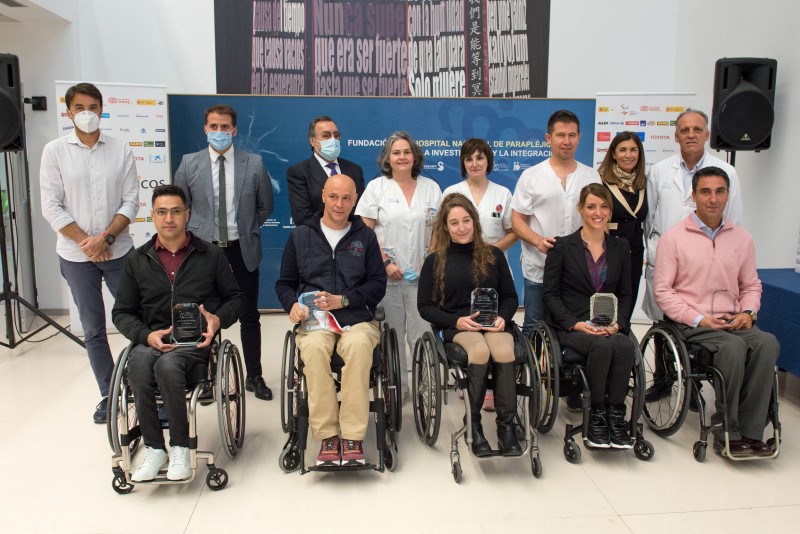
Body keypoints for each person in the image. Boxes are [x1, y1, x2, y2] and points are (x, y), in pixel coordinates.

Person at [111, 185, 244, 481]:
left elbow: (236, 299)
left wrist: (216, 321)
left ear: (187, 215)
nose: (168, 218)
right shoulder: (138, 259)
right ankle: (155, 448)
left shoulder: (209, 255)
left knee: (168, 365)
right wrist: (146, 336)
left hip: (193, 343)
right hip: (152, 338)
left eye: (174, 211)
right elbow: (121, 312)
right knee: (140, 364)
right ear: (153, 217)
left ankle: (181, 446)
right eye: (161, 212)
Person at [654, 167, 779, 457]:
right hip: (693, 321)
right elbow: (663, 291)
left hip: (734, 319)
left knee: (768, 343)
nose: (713, 198)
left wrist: (748, 312)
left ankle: (752, 431)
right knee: (733, 347)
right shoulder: (673, 238)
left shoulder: (742, 238)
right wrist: (699, 318)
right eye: (706, 192)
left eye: (720, 191)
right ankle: (728, 429)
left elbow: (751, 284)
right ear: (693, 196)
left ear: (728, 195)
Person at [39, 82, 138, 424]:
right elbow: (50, 206)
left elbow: (131, 200)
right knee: (93, 328)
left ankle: (143, 387)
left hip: (119, 251)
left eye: (93, 107)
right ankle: (110, 395)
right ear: (68, 112)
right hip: (75, 255)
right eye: (79, 107)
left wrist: (106, 238)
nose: (87, 113)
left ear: (101, 109)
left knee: (136, 322)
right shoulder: (54, 151)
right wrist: (86, 241)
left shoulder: (120, 148)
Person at [276, 174, 387, 467]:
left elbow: (378, 284)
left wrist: (345, 299)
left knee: (361, 347)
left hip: (356, 318)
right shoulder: (301, 235)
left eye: (347, 198)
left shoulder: (365, 236)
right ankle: (327, 435)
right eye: (334, 197)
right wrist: (291, 306)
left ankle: (352, 435)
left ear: (355, 201)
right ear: (323, 196)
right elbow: (285, 283)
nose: (340, 204)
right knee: (312, 350)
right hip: (315, 321)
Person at [173, 104, 274, 401]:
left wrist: (244, 229)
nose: (220, 132)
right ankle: (204, 377)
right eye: (214, 127)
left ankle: (254, 375)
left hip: (241, 249)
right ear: (205, 129)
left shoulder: (253, 163)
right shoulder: (189, 163)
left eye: (225, 127)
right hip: (203, 253)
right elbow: (181, 207)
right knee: (203, 315)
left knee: (249, 315)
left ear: (234, 130)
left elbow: (265, 205)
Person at [643, 109, 743, 401]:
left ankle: (694, 382)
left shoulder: (727, 172)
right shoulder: (660, 170)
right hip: (667, 254)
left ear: (707, 134)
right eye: (685, 130)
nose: (690, 135)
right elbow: (650, 218)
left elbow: (733, 218)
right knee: (664, 318)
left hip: (705, 259)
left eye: (697, 129)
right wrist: (656, 249)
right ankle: (663, 380)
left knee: (700, 315)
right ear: (676, 136)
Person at [417, 193, 522, 457]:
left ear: (474, 222)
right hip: (459, 325)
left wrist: (504, 318)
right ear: (445, 227)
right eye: (454, 223)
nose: (462, 227)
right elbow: (425, 307)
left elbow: (510, 297)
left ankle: (506, 426)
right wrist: (456, 321)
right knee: (479, 352)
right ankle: (474, 424)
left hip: (493, 322)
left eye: (466, 220)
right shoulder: (435, 261)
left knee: (505, 351)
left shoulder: (494, 255)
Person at [542, 184, 636, 449]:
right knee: (602, 346)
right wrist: (576, 324)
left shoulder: (620, 247)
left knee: (623, 344)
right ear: (580, 209)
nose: (598, 212)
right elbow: (550, 295)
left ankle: (616, 415)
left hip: (609, 324)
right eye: (592, 206)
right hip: (572, 325)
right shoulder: (562, 247)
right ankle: (596, 413)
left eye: (604, 206)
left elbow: (626, 293)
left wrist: (620, 323)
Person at [356, 130, 442, 401]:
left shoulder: (431, 188)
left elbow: (439, 229)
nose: (402, 157)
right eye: (396, 152)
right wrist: (384, 263)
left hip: (422, 277)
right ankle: (396, 390)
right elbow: (365, 231)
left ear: (415, 156)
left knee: (421, 335)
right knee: (391, 336)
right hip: (387, 279)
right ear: (387, 158)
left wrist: (431, 258)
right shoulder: (376, 188)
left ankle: (424, 390)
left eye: (407, 152)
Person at [443, 137, 518, 412]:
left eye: (480, 158)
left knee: (492, 325)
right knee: (472, 325)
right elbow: (443, 231)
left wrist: (490, 253)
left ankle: (496, 392)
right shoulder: (451, 191)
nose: (474, 163)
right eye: (469, 159)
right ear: (463, 163)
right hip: (460, 270)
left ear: (488, 161)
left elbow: (514, 230)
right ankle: (473, 383)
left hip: (492, 272)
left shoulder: (503, 194)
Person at [511, 110, 601, 337]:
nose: (566, 141)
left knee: (575, 327)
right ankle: (536, 373)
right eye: (560, 135)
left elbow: (599, 220)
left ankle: (561, 372)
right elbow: (516, 219)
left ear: (580, 137)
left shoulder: (592, 177)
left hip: (579, 272)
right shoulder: (531, 176)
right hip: (539, 267)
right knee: (534, 326)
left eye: (572, 135)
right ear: (548, 138)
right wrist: (537, 241)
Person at [597, 131, 647, 326]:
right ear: (614, 154)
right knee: (606, 307)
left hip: (634, 254)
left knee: (627, 306)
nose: (629, 155)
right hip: (608, 253)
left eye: (633, 150)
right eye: (623, 150)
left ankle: (624, 344)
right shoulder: (601, 181)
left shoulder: (643, 184)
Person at [286, 115, 365, 225]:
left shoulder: (355, 170)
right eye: (326, 136)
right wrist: (334, 230)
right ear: (313, 141)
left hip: (350, 238)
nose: (333, 140)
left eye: (336, 135)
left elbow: (361, 211)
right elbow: (302, 216)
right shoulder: (299, 172)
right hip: (315, 238)